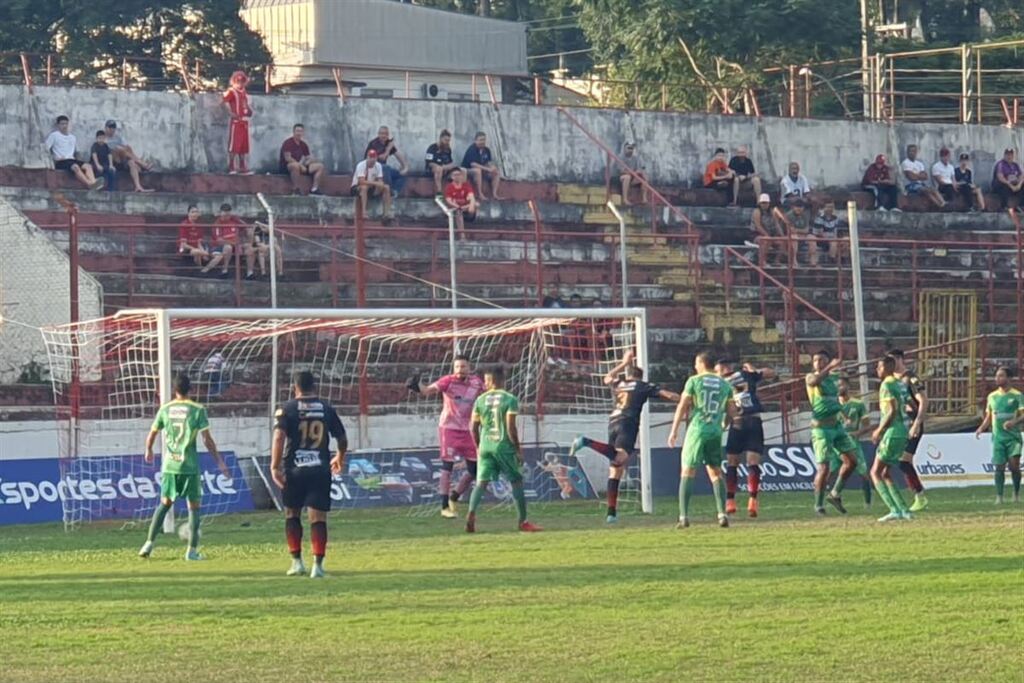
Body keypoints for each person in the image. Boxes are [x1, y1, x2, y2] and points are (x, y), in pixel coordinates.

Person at [569, 350, 679, 524]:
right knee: (620, 457)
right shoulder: (643, 386)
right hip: (628, 423)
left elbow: (607, 377)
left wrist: (623, 363)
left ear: (629, 375)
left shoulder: (620, 383)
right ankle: (586, 441)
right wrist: (686, 401)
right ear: (640, 376)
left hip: (613, 422)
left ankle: (611, 513)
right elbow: (669, 395)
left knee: (615, 469)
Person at [138, 373, 230, 560]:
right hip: (188, 466)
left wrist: (148, 449)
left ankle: (148, 543)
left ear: (174, 390)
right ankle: (191, 551)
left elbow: (153, 432)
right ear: (191, 389)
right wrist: (220, 461)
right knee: (194, 507)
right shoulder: (197, 409)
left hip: (170, 465)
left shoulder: (165, 409)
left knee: (164, 504)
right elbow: (207, 439)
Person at [271, 370, 347, 578]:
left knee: (292, 513)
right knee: (318, 517)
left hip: (294, 470)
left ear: (295, 387)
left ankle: (296, 563)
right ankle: (318, 566)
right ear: (314, 386)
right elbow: (341, 437)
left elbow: (278, 437)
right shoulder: (326, 408)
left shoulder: (286, 409)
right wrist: (340, 456)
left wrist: (274, 466)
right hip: (320, 469)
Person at [407, 356, 485, 519]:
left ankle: (454, 498)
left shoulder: (476, 382)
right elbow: (427, 390)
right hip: (448, 429)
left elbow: (487, 396)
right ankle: (444, 507)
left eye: (463, 366)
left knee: (475, 470)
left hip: (469, 430)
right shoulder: (447, 381)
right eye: (457, 367)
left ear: (469, 368)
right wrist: (416, 386)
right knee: (447, 466)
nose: (459, 370)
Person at [466, 365, 542, 533]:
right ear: (501, 381)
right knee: (516, 481)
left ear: (492, 381)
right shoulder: (510, 399)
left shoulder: (480, 400)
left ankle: (471, 513)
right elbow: (510, 427)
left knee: (481, 483)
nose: (484, 384)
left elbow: (473, 427)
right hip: (504, 446)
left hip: (486, 446)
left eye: (486, 381)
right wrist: (517, 449)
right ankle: (523, 522)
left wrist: (479, 447)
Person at [669, 352, 736, 528]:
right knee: (716, 472)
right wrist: (723, 425)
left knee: (687, 471)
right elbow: (732, 411)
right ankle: (722, 514)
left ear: (700, 363)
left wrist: (674, 430)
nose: (695, 367)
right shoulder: (725, 384)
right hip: (715, 430)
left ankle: (683, 516)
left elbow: (683, 405)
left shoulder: (694, 381)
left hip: (698, 428)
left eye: (696, 363)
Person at [716, 358, 776, 518]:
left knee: (732, 461)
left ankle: (730, 501)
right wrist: (753, 369)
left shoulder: (721, 384)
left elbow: (730, 408)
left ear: (724, 368)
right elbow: (771, 372)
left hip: (739, 422)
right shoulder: (746, 374)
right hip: (753, 420)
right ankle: (753, 500)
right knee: (752, 461)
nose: (716, 373)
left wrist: (723, 426)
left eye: (717, 370)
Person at [805, 349, 860, 515]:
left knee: (852, 461)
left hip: (836, 427)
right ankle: (818, 505)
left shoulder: (834, 378)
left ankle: (835, 493)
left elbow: (837, 398)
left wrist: (844, 414)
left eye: (821, 359)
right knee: (824, 468)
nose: (818, 363)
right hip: (821, 429)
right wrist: (829, 366)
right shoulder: (811, 377)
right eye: (815, 360)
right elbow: (814, 381)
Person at [871, 356, 913, 522]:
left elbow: (892, 410)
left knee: (875, 472)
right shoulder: (900, 384)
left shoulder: (887, 384)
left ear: (888, 367)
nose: (877, 370)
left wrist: (879, 430)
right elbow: (912, 406)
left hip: (892, 432)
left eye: (879, 367)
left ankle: (894, 509)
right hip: (903, 432)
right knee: (886, 473)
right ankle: (904, 510)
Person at [975, 367, 1023, 504]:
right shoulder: (992, 396)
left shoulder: (1017, 395)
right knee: (999, 466)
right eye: (996, 376)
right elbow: (989, 417)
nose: (997, 379)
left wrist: (1013, 422)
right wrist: (981, 428)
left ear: (1009, 378)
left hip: (1013, 437)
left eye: (1001, 376)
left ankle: (1016, 494)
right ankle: (999, 497)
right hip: (998, 438)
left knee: (1014, 466)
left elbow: (1023, 414)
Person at [890, 349, 929, 512]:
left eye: (891, 361)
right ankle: (919, 497)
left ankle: (920, 496)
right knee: (904, 462)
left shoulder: (910, 378)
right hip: (900, 425)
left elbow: (924, 400)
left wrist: (917, 423)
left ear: (899, 360)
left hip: (912, 424)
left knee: (904, 462)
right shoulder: (891, 380)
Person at [835, 377, 873, 507]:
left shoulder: (858, 404)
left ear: (847, 386)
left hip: (852, 444)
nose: (838, 388)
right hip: (835, 444)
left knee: (863, 473)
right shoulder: (831, 406)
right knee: (826, 471)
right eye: (836, 385)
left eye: (841, 385)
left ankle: (867, 503)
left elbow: (867, 426)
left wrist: (856, 433)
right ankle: (824, 502)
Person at [44, 115, 103, 190]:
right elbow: (45, 149)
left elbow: (76, 152)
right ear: (58, 125)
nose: (64, 126)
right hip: (61, 161)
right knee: (75, 167)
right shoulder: (54, 135)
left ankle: (93, 182)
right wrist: (54, 158)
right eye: (62, 124)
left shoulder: (72, 137)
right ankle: (89, 184)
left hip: (71, 159)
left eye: (66, 124)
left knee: (88, 166)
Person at [103, 120, 153, 192]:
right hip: (112, 161)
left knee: (131, 162)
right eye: (110, 128)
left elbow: (128, 148)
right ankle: (143, 164)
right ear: (106, 128)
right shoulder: (103, 138)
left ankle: (138, 186)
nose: (112, 130)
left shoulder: (118, 138)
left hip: (122, 159)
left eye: (113, 128)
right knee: (119, 149)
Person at [280, 123, 325, 195]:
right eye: (297, 131)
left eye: (300, 131)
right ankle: (296, 188)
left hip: (301, 166)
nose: (299, 133)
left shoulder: (303, 144)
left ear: (303, 133)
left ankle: (314, 189)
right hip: (288, 166)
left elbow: (308, 157)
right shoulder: (288, 143)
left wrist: (309, 162)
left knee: (320, 166)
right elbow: (288, 158)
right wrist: (300, 165)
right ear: (293, 132)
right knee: (295, 166)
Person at [350, 150, 393, 225]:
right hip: (357, 187)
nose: (372, 159)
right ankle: (364, 212)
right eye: (370, 157)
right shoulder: (361, 165)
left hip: (371, 187)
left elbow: (380, 180)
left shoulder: (378, 166)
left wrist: (379, 185)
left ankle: (386, 213)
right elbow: (361, 181)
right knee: (364, 188)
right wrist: (375, 183)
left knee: (386, 187)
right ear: (367, 157)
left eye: (373, 157)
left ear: (376, 158)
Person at [222, 70, 253, 174]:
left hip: (244, 122)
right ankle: (231, 166)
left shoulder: (243, 92)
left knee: (244, 145)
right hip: (236, 122)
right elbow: (224, 102)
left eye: (242, 80)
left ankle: (242, 166)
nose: (240, 83)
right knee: (234, 145)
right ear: (234, 81)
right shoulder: (231, 91)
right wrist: (230, 113)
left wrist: (248, 110)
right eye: (238, 80)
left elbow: (245, 104)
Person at [365, 125, 409, 197]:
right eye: (382, 133)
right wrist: (388, 149)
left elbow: (398, 155)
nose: (383, 135)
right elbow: (380, 158)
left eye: (385, 134)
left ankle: (394, 192)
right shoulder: (374, 144)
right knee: (385, 168)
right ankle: (387, 191)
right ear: (378, 134)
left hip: (383, 171)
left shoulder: (388, 143)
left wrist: (405, 167)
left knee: (401, 174)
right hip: (372, 169)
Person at [900, 144, 945, 209]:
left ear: (916, 152)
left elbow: (925, 176)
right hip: (910, 185)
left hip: (921, 184)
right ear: (907, 152)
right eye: (910, 151)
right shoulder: (905, 163)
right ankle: (939, 205)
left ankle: (943, 203)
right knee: (926, 191)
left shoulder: (919, 163)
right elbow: (911, 177)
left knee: (933, 190)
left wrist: (915, 175)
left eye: (914, 151)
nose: (912, 153)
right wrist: (919, 175)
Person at [462, 132, 504, 201]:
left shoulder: (486, 150)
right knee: (477, 171)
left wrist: (492, 167)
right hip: (468, 170)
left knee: (496, 172)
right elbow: (473, 164)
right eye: (480, 140)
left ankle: (494, 194)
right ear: (476, 141)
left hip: (482, 170)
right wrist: (487, 169)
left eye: (484, 140)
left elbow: (488, 162)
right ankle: (479, 194)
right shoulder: (472, 149)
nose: (482, 142)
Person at [773, 199, 816, 266]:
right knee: (794, 237)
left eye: (801, 207)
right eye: (797, 206)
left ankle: (812, 259)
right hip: (788, 236)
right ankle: (794, 259)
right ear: (793, 207)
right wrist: (800, 231)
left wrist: (798, 231)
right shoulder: (789, 215)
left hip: (802, 235)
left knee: (812, 237)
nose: (799, 208)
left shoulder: (805, 215)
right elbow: (790, 230)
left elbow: (806, 230)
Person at [203, 203, 241, 277]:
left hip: (235, 246)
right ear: (220, 213)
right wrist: (234, 243)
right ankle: (224, 270)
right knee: (228, 247)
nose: (227, 217)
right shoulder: (217, 224)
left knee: (249, 247)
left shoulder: (234, 220)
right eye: (225, 215)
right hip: (218, 247)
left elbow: (248, 227)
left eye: (228, 215)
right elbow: (219, 241)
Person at [750, 193, 786, 264]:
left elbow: (776, 224)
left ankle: (777, 260)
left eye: (766, 203)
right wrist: (767, 235)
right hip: (757, 234)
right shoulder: (757, 211)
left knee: (782, 242)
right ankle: (762, 260)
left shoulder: (772, 211)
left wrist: (782, 236)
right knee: (766, 240)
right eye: (763, 203)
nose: (764, 205)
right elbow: (758, 226)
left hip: (770, 234)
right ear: (760, 203)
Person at [443, 168, 478, 240]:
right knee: (459, 212)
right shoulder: (449, 187)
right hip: (455, 208)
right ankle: (462, 235)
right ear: (452, 177)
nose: (458, 176)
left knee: (476, 204)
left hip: (465, 207)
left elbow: (471, 197)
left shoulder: (466, 185)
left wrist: (471, 205)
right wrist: (457, 206)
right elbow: (449, 201)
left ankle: (471, 216)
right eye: (455, 175)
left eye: (459, 175)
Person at [426, 129, 459, 195]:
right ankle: (439, 192)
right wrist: (440, 167)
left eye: (449, 140)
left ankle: (458, 192)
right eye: (446, 140)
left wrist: (446, 167)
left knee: (460, 171)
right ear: (441, 138)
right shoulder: (432, 148)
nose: (447, 142)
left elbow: (450, 163)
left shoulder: (448, 149)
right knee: (438, 169)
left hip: (445, 169)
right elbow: (429, 163)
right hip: (433, 170)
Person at [614, 142, 648, 206]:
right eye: (628, 148)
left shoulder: (635, 158)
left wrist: (640, 173)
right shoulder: (620, 157)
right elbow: (621, 171)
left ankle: (644, 199)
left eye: (632, 148)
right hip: (620, 177)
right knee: (627, 177)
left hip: (632, 177)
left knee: (644, 177)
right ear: (624, 148)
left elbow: (640, 169)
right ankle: (625, 199)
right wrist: (633, 173)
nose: (630, 150)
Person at [178, 205, 210, 270]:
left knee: (198, 253)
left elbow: (199, 243)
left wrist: (202, 251)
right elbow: (184, 245)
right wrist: (204, 253)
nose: (195, 214)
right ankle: (200, 269)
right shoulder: (184, 224)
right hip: (185, 249)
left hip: (196, 249)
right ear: (188, 213)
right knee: (196, 252)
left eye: (196, 212)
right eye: (192, 212)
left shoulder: (199, 225)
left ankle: (200, 269)